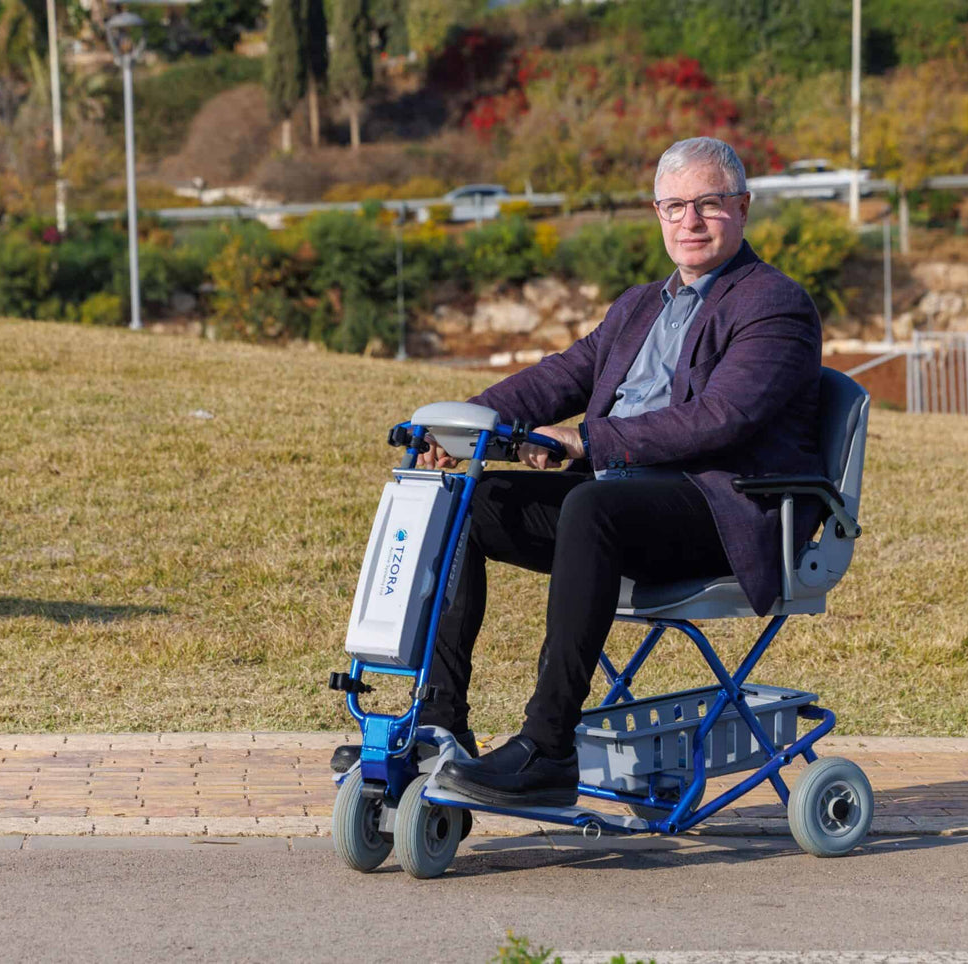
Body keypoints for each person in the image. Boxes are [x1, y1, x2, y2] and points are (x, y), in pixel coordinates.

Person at [334, 136, 826, 807]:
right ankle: (439, 720)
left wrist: (588, 441)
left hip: (718, 507)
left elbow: (720, 419)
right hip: (620, 503)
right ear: (656, 214)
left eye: (708, 204)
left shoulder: (773, 304)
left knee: (589, 506)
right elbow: (560, 377)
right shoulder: (637, 306)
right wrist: (463, 424)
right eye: (675, 206)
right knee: (466, 501)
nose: (690, 221)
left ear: (740, 208)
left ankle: (547, 748)